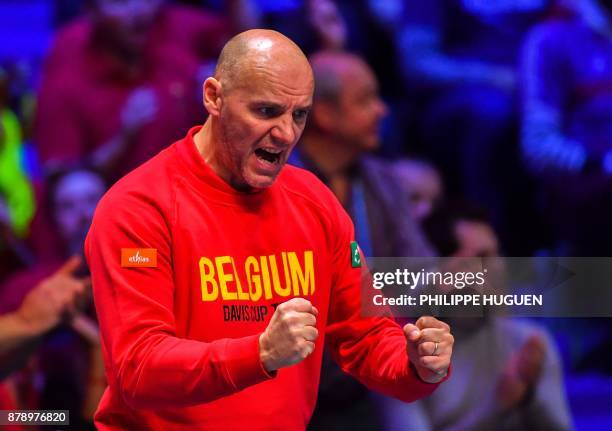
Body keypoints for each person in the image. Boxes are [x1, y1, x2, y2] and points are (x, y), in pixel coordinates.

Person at [85, 29, 454, 430]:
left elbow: (366, 336)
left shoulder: (315, 201)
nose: (286, 133)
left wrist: (416, 364)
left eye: (298, 115)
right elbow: (138, 368)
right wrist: (260, 353)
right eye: (266, 111)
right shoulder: (138, 208)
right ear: (213, 97)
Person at [377, 202, 573, 431]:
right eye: (483, 257)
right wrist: (498, 405)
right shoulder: (399, 354)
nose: (500, 266)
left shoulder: (528, 341)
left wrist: (528, 397)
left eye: (497, 253)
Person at [35, 0, 229, 182]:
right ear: (91, 12)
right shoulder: (66, 77)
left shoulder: (175, 45)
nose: (138, 11)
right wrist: (121, 140)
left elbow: (243, 40)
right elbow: (61, 185)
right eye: (120, 1)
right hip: (111, 213)